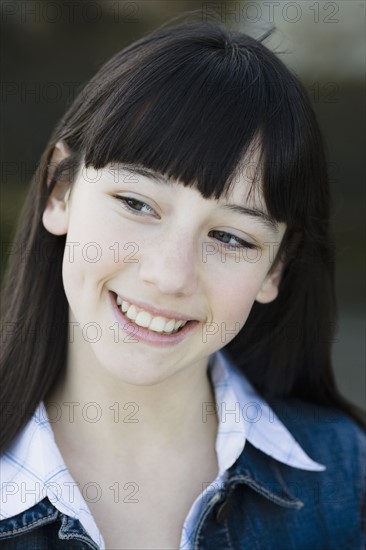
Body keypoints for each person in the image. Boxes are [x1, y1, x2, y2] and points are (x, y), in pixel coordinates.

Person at [0, 19, 364, 550]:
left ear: (277, 267)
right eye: (137, 204)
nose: (169, 275)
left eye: (231, 237)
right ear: (60, 190)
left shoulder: (347, 477)